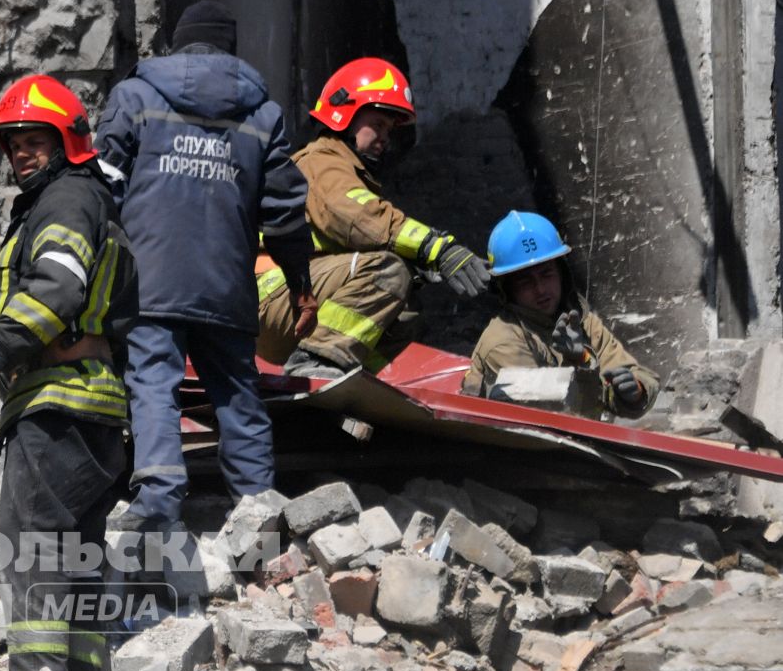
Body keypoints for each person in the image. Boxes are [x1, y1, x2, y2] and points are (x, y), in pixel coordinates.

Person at [0, 74, 138, 671]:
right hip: (96, 407)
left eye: (35, 140)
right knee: (74, 552)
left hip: (57, 404)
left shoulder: (63, 201)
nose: (22, 153)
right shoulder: (92, 200)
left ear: (68, 141)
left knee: (30, 552)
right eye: (13, 143)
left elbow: (57, 290)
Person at [96, 0, 316, 509]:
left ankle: (158, 506)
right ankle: (258, 511)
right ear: (231, 51)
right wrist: (301, 288)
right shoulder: (263, 115)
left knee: (153, 388)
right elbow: (284, 213)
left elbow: (103, 192)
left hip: (149, 283)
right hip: (226, 288)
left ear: (176, 45)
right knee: (239, 397)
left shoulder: (135, 97)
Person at [256, 57, 492, 378]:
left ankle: (351, 375)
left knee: (406, 306)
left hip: (297, 302)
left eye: (389, 129)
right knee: (387, 270)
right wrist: (437, 249)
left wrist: (419, 266)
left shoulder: (348, 170)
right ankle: (320, 363)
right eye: (377, 124)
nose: (385, 138)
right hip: (271, 298)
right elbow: (362, 218)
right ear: (343, 115)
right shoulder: (320, 162)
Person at [464, 210, 658, 417]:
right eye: (525, 281)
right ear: (507, 288)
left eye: (547, 274)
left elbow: (635, 374)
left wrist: (636, 392)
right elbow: (554, 419)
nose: (540, 289)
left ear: (562, 273)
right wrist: (581, 361)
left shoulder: (581, 321)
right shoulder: (503, 341)